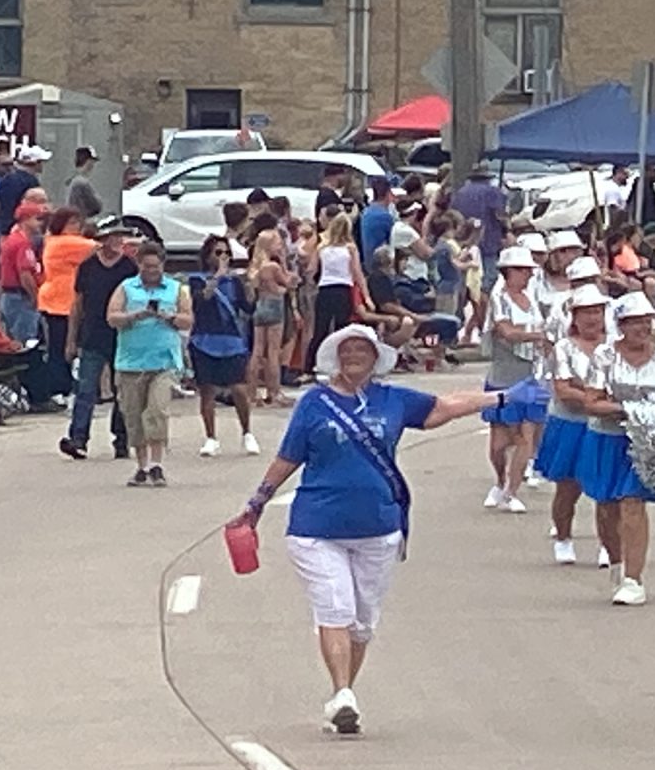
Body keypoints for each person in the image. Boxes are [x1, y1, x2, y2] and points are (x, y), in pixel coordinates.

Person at [229, 324, 496, 736]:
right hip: (317, 526)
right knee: (335, 608)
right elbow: (288, 457)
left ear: (376, 358)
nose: (354, 357)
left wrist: (502, 398)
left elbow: (444, 406)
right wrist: (256, 504)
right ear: (336, 357)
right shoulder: (314, 404)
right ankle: (342, 692)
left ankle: (343, 697)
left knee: (363, 622)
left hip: (378, 527)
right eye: (347, 350)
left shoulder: (393, 400)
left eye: (363, 351)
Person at [577, 291, 655, 606]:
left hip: (644, 442)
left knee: (633, 503)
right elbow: (591, 403)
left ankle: (635, 578)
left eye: (647, 321)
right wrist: (626, 409)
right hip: (608, 439)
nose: (643, 328)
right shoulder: (605, 357)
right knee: (607, 507)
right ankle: (617, 560)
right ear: (621, 325)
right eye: (635, 322)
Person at [537, 285, 612, 567]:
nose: (593, 318)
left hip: (604, 424)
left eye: (597, 311)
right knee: (568, 488)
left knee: (605, 490)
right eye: (587, 313)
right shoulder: (564, 348)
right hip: (570, 424)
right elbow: (563, 390)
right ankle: (564, 538)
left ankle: (608, 543)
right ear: (575, 317)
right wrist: (596, 398)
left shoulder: (613, 345)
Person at [108, 240, 190, 487]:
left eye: (156, 266)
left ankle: (157, 463)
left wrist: (171, 317)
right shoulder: (126, 288)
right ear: (139, 265)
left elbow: (188, 319)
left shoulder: (175, 289)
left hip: (163, 361)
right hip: (131, 362)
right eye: (146, 267)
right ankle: (141, 465)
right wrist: (134, 315)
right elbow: (112, 317)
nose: (152, 271)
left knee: (157, 410)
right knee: (133, 414)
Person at [59, 219, 139, 461]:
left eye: (120, 237)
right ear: (103, 239)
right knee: (85, 389)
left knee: (122, 390)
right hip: (92, 335)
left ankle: (122, 439)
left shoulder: (128, 268)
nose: (118, 242)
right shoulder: (88, 267)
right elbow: (78, 304)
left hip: (121, 336)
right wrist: (71, 340)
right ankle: (78, 438)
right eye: (114, 237)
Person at [481, 248, 551, 514]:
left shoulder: (531, 300)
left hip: (530, 374)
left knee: (525, 435)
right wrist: (537, 337)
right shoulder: (499, 300)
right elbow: (507, 332)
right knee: (499, 443)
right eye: (522, 270)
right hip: (503, 375)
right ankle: (500, 481)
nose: (527, 275)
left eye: (529, 271)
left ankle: (512, 491)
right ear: (508, 272)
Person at [185, 235, 256, 456]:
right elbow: (201, 300)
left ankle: (247, 432)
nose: (223, 257)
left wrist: (252, 289)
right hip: (204, 339)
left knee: (239, 388)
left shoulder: (235, 282)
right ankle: (211, 437)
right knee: (207, 390)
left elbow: (248, 308)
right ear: (207, 255)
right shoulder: (197, 279)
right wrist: (216, 278)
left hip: (232, 340)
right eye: (218, 253)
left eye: (226, 253)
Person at [36, 208, 92, 397]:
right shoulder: (63, 243)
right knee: (60, 347)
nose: (78, 227)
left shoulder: (54, 242)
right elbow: (97, 248)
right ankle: (59, 387)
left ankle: (64, 385)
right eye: (73, 223)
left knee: (61, 346)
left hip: (61, 301)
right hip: (59, 302)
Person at [246, 229, 296, 407]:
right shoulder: (273, 267)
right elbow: (288, 284)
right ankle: (274, 392)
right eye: (278, 244)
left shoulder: (256, 267)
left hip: (260, 307)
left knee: (257, 350)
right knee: (273, 351)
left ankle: (251, 393)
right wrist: (284, 264)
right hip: (275, 307)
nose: (281, 247)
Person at [311, 212, 362, 365]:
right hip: (343, 287)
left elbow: (311, 269)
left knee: (320, 329)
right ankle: (341, 363)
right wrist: (366, 296)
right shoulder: (350, 248)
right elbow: (357, 273)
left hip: (325, 288)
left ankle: (312, 364)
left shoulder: (322, 247)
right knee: (342, 328)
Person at [0, 201, 44, 346]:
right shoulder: (22, 243)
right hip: (20, 298)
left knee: (12, 339)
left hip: (9, 297)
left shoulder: (11, 239)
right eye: (37, 219)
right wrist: (35, 297)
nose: (40, 224)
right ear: (26, 219)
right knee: (25, 341)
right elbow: (25, 275)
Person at [65, 146, 102, 218]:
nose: (93, 165)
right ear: (88, 161)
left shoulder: (72, 180)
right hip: (80, 221)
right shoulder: (82, 182)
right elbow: (96, 206)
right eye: (92, 161)